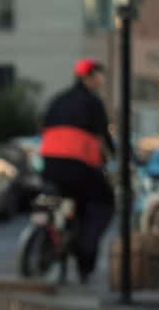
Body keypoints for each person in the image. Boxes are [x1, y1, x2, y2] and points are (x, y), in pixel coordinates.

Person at [40, 58, 116, 281]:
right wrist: (115, 157)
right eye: (99, 77)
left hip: (50, 166)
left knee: (65, 200)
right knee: (104, 203)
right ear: (89, 78)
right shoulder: (93, 102)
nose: (100, 81)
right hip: (80, 168)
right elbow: (104, 138)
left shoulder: (58, 100)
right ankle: (86, 256)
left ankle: (60, 235)